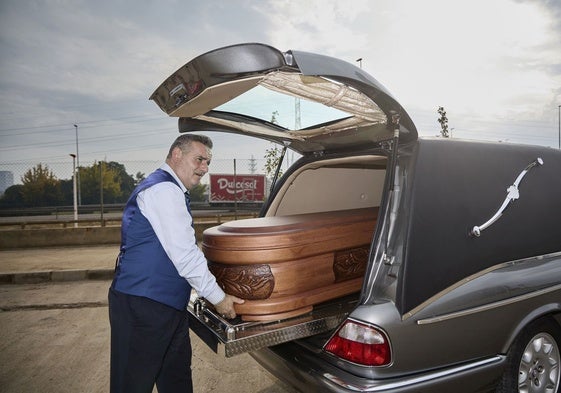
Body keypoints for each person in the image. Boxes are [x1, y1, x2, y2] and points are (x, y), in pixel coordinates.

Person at [108, 134, 244, 393]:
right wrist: (219, 298)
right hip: (143, 307)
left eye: (208, 162)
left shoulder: (169, 189)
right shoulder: (164, 190)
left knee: (177, 379)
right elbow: (186, 256)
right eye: (200, 159)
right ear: (176, 154)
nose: (205, 168)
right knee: (132, 384)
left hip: (166, 307)